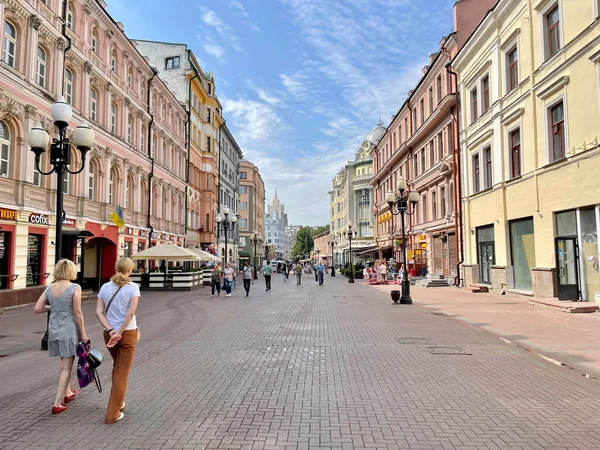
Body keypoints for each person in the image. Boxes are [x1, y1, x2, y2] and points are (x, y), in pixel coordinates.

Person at [34, 259, 88, 415]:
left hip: (54, 329)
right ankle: (57, 402)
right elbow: (77, 312)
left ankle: (68, 392)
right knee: (66, 366)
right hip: (68, 329)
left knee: (64, 362)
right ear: (71, 271)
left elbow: (37, 308)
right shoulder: (74, 287)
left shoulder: (49, 288)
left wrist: (53, 307)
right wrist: (83, 334)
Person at [95, 257, 140, 424]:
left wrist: (111, 331)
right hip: (127, 333)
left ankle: (119, 401)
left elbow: (98, 313)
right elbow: (130, 313)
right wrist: (120, 332)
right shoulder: (133, 287)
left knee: (118, 367)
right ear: (130, 270)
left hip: (109, 334)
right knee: (122, 372)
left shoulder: (105, 287)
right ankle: (112, 414)